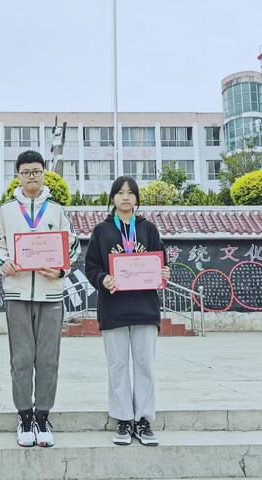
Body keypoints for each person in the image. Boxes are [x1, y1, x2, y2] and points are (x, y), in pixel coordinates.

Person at [0, 150, 80, 447]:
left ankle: (43, 416)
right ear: (17, 175)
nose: (32, 175)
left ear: (45, 174)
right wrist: (2, 261)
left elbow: (73, 247)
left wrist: (59, 270)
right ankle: (24, 416)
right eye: (26, 171)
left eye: (37, 170)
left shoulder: (57, 210)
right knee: (21, 359)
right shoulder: (5, 211)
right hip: (17, 293)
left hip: (51, 294)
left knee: (47, 359)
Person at [85, 175, 170, 446]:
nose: (125, 197)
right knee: (118, 366)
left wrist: (165, 272)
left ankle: (143, 420)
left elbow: (162, 263)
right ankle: (123, 420)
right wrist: (102, 280)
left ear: (136, 198)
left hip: (145, 309)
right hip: (114, 309)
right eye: (120, 192)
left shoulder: (148, 229)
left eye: (130, 193)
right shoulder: (102, 231)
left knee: (145, 366)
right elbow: (91, 267)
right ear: (112, 197)